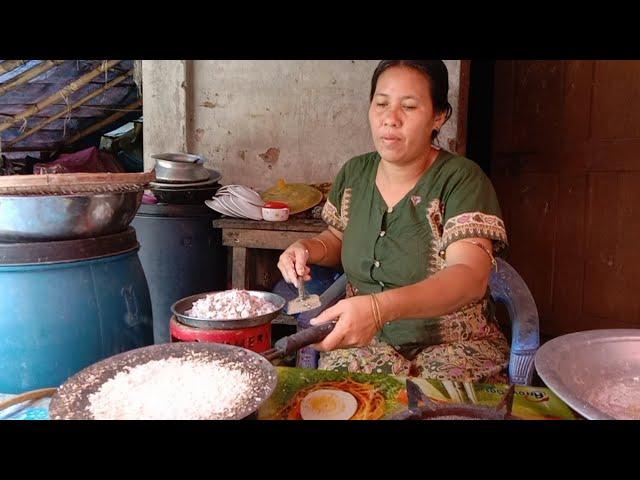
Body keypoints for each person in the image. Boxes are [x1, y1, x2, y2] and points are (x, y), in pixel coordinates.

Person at [277, 60, 509, 383]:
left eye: (409, 107)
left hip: (454, 344)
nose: (390, 119)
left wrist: (377, 308)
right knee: (337, 403)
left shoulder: (462, 180)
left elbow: (469, 276)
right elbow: (337, 237)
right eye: (381, 103)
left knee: (447, 409)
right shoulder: (354, 175)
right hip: (366, 343)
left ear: (438, 116)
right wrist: (307, 248)